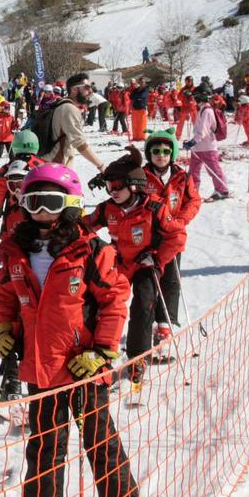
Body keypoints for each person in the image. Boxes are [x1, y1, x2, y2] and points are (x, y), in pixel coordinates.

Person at [0, 163, 140, 497]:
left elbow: (114, 300)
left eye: (51, 202)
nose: (42, 212)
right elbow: (6, 295)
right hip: (40, 367)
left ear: (71, 204)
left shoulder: (91, 249)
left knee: (99, 439)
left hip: (82, 367)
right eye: (33, 202)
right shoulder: (16, 250)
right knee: (44, 445)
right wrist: (5, 327)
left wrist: (102, 351)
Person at [85, 148, 183, 389]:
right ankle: (100, 353)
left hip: (144, 264)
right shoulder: (108, 209)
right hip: (119, 263)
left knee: (143, 305)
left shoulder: (154, 208)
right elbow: (85, 226)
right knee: (105, 305)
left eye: (118, 185)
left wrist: (158, 258)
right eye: (109, 185)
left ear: (135, 185)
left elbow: (177, 236)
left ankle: (137, 357)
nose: (113, 191)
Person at [141, 129, 201, 348]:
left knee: (171, 279)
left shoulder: (182, 177)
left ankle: (166, 322)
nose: (161, 155)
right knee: (149, 280)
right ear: (149, 153)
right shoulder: (141, 176)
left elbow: (193, 201)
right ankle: (146, 323)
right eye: (156, 151)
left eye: (166, 151)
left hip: (172, 235)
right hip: (149, 235)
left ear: (172, 154)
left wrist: (181, 220)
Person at [40, 73, 106, 174]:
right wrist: (101, 166)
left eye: (91, 87)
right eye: (87, 87)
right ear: (74, 89)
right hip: (55, 167)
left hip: (53, 164)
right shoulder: (69, 108)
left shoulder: (63, 104)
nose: (90, 91)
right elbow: (79, 143)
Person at [183, 87, 229, 201]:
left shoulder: (207, 111)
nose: (193, 100)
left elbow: (202, 131)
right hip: (198, 147)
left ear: (199, 97)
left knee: (213, 169)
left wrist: (192, 142)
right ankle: (192, 191)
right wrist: (191, 143)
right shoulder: (202, 109)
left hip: (207, 147)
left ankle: (222, 190)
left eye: (194, 97)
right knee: (193, 171)